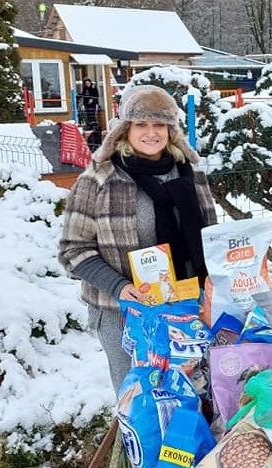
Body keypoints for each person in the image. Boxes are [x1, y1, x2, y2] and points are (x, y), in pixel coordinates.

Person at [58, 85, 217, 391]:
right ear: (124, 130)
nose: (151, 133)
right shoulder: (99, 179)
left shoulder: (190, 175)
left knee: (192, 392)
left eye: (159, 125)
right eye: (141, 124)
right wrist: (120, 287)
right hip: (122, 313)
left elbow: (209, 236)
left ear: (171, 130)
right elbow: (73, 250)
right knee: (137, 397)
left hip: (186, 306)